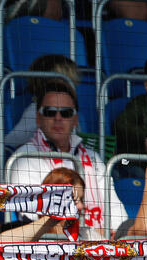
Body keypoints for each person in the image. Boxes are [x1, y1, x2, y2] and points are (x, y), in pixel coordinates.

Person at [9, 80, 128, 238]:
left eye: (66, 113)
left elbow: (115, 210)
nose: (58, 118)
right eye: (50, 112)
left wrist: (113, 234)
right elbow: (32, 219)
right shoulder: (23, 158)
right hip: (52, 244)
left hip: (102, 244)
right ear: (38, 118)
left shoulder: (93, 158)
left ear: (75, 119)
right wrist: (91, 234)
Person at [4, 54, 81, 149]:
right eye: (68, 83)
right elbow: (9, 142)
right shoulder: (35, 111)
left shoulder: (70, 112)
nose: (72, 88)